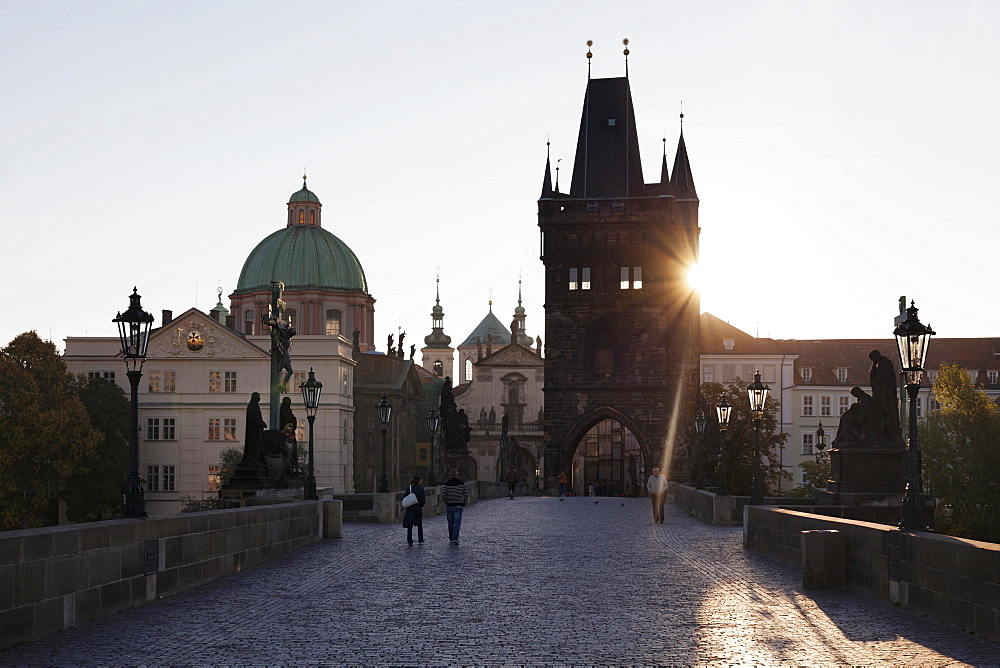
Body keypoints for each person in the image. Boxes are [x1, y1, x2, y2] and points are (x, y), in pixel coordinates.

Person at [869, 349, 902, 442]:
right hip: (881, 395)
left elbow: (879, 380)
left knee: (886, 413)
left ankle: (890, 432)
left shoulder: (885, 364)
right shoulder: (881, 364)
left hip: (886, 396)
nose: (873, 361)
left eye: (872, 359)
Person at [441, 468, 469, 544]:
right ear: (457, 475)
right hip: (458, 505)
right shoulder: (462, 484)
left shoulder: (446, 484)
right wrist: (463, 503)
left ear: (450, 475)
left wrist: (446, 501)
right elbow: (466, 494)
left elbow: (443, 494)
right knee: (457, 522)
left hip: (450, 505)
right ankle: (455, 538)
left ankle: (451, 538)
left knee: (450, 522)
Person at [402, 476, 426, 546]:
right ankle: (420, 539)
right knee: (419, 524)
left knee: (410, 525)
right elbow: (423, 501)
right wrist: (420, 505)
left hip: (410, 509)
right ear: (418, 481)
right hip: (417, 509)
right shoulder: (421, 489)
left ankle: (410, 540)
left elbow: (405, 498)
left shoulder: (409, 488)